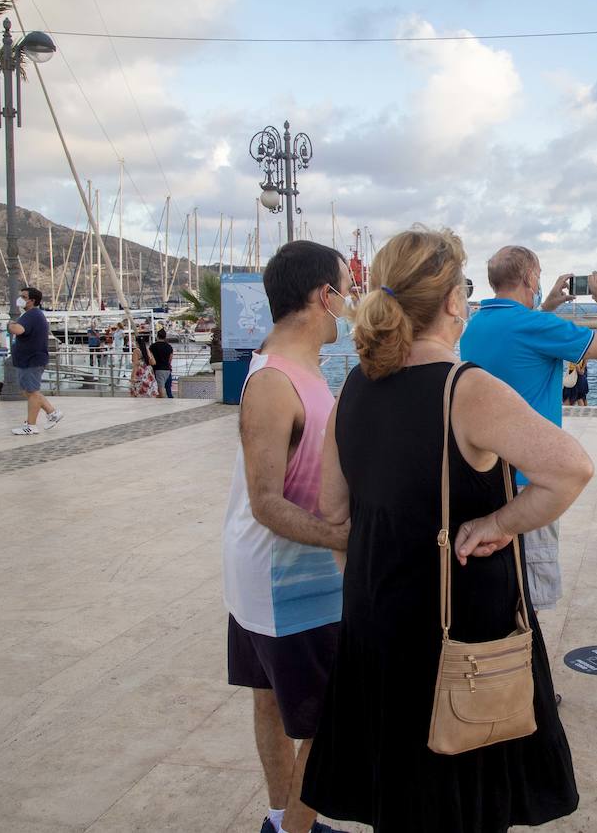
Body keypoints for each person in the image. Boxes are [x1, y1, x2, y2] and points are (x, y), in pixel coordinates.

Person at [302, 227, 587, 832]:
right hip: (457, 634)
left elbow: (333, 509)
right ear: (454, 301)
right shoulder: (466, 389)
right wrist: (499, 521)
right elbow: (570, 470)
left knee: (398, 796)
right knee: (459, 799)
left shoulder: (353, 386)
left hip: (375, 618)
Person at [223, 240, 354, 833]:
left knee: (271, 700)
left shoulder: (303, 368)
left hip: (277, 576)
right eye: (346, 289)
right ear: (324, 296)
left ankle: (282, 820)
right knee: (330, 721)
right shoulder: (275, 383)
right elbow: (267, 502)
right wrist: (343, 536)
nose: (350, 301)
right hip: (285, 582)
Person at [459, 246, 597, 616]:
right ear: (530, 277)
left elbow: (519, 337)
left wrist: (546, 305)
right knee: (529, 597)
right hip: (529, 480)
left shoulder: (477, 325)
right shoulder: (536, 327)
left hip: (485, 473)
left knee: (500, 585)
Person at [7, 287, 61, 435]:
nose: (20, 299)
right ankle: (52, 413)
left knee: (32, 392)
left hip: (31, 360)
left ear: (32, 300)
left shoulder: (32, 315)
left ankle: (31, 425)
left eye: (23, 297)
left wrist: (9, 324)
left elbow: (18, 330)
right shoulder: (32, 315)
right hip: (28, 360)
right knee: (29, 391)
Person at [129, 334, 161, 398]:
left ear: (136, 342)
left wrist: (133, 377)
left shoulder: (136, 351)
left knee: (138, 393)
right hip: (148, 373)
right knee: (148, 392)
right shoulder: (148, 350)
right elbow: (154, 363)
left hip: (140, 373)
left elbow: (136, 365)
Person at [149, 327, 175, 397]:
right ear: (165, 337)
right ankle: (171, 401)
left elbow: (150, 358)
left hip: (157, 369)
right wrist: (168, 365)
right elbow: (170, 358)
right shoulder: (169, 346)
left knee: (160, 389)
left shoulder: (153, 346)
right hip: (167, 369)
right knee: (168, 390)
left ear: (157, 336)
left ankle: (162, 402)